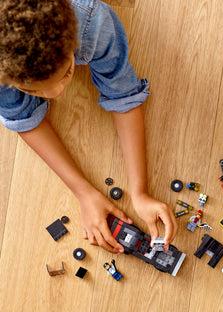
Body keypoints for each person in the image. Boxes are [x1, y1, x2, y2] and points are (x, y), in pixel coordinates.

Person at [0, 0, 177, 253]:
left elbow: (123, 95)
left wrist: (140, 193)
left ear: (73, 42)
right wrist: (83, 193)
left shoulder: (92, 21)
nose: (56, 93)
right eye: (32, 89)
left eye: (66, 73)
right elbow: (23, 119)